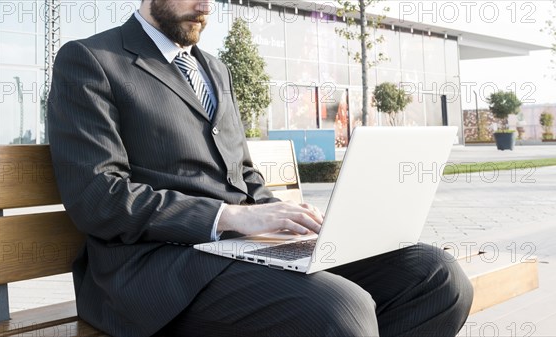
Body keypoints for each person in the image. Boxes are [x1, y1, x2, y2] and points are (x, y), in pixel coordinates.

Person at [47, 0, 473, 336]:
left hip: (241, 249)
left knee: (436, 276)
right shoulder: (91, 60)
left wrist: (288, 221)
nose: (206, 6)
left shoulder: (213, 68)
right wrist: (231, 217)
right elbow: (98, 197)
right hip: (156, 270)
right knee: (340, 309)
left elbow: (244, 174)